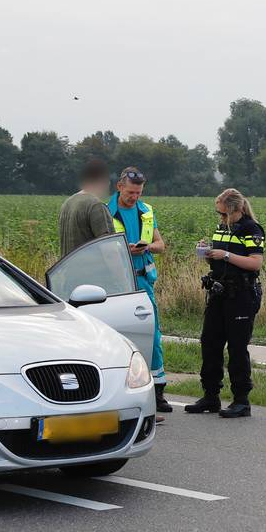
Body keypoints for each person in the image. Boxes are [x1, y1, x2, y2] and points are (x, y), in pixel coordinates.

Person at [184, 188, 264, 418]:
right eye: (218, 214)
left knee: (237, 348)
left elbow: (255, 263)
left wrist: (225, 256)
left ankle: (241, 401)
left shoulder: (251, 229)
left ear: (237, 210)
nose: (220, 218)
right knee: (210, 342)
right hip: (218, 291)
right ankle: (211, 396)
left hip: (241, 295)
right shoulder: (222, 228)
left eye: (223, 214)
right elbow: (219, 255)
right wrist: (207, 252)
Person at [105, 167, 171, 413]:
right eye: (131, 192)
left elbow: (161, 245)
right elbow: (98, 248)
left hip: (143, 281)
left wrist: (147, 247)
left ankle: (158, 391)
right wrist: (124, 250)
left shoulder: (146, 212)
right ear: (119, 187)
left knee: (152, 336)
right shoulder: (105, 212)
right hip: (117, 282)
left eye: (138, 193)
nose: (134, 197)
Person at [57, 158, 114, 257]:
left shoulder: (68, 203)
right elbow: (109, 250)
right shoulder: (96, 206)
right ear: (102, 180)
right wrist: (121, 272)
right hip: (90, 271)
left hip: (68, 271)